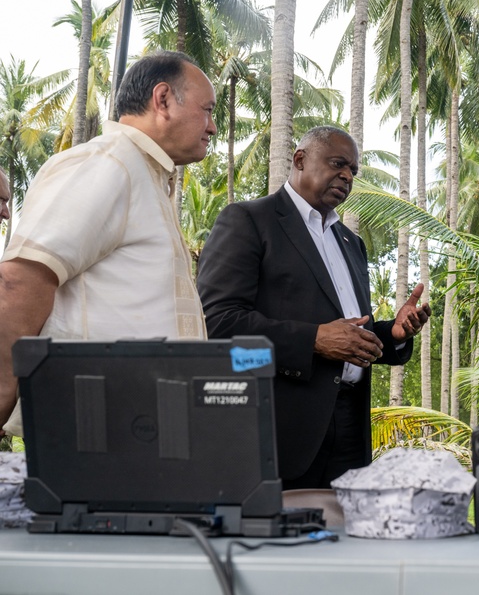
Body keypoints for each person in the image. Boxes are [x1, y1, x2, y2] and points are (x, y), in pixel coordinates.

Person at [197, 126, 430, 489]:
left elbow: (351, 332)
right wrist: (314, 340)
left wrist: (392, 334)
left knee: (347, 540)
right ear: (300, 159)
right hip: (281, 429)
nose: (347, 176)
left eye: (354, 170)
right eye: (338, 163)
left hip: (350, 427)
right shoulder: (249, 221)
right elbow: (218, 324)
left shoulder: (351, 243)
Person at [0, 50, 215, 436]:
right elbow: (20, 280)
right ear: (163, 100)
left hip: (136, 427)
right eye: (207, 110)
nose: (212, 127)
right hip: (98, 428)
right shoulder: (109, 163)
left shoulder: (142, 173)